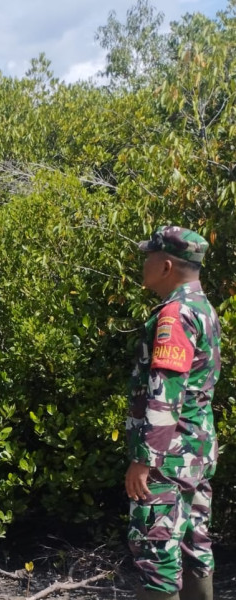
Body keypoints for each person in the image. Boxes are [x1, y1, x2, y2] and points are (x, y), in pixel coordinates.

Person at [126, 226, 220, 600]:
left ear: (166, 265)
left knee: (156, 550)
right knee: (194, 544)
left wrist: (143, 460)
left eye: (148, 257)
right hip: (195, 452)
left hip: (169, 456)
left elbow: (166, 394)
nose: (144, 263)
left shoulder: (176, 315)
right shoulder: (204, 308)